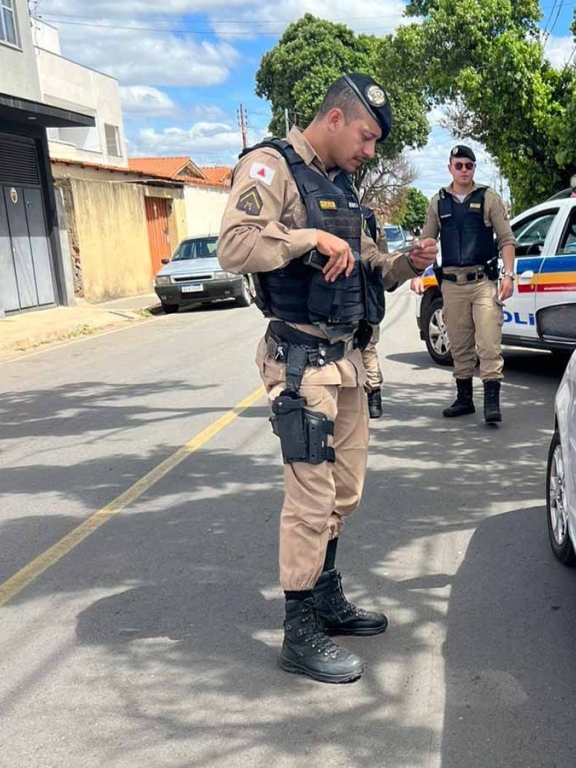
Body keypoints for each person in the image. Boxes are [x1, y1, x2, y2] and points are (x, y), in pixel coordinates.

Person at [218, 73, 437, 684]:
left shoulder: (342, 187)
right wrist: (303, 236)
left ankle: (327, 596)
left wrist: (402, 264)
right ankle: (299, 628)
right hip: (300, 361)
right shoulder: (271, 168)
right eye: (367, 137)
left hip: (347, 361)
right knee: (311, 501)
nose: (370, 152)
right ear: (335, 119)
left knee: (344, 494)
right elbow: (235, 246)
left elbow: (370, 264)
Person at [420, 145, 515, 423]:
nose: (464, 170)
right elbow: (427, 242)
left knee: (488, 342)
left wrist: (509, 275)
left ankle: (491, 403)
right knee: (459, 344)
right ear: (450, 167)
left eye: (469, 166)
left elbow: (507, 239)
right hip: (451, 283)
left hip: (482, 282)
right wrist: (416, 273)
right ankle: (464, 399)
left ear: (474, 168)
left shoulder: (488, 198)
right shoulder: (438, 202)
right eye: (458, 165)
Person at [360, 205, 387, 419]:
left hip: (365, 289)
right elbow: (383, 255)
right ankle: (371, 392)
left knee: (367, 344)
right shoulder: (369, 216)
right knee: (366, 345)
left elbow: (382, 257)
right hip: (366, 288)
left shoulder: (368, 217)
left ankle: (373, 393)